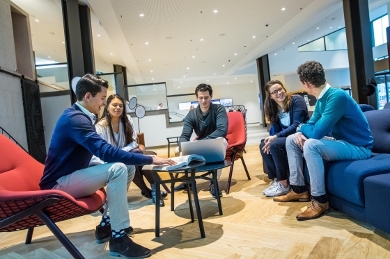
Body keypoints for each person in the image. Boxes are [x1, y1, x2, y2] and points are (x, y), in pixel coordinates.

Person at [40, 74, 175, 258]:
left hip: (72, 176)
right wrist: (151, 159)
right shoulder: (76, 120)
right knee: (119, 168)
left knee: (126, 168)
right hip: (58, 185)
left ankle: (106, 225)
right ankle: (118, 239)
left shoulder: (81, 117)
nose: (104, 103)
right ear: (88, 96)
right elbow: (106, 152)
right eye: (103, 98)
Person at [274, 61, 373, 221]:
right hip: (341, 142)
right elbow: (311, 125)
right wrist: (300, 130)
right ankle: (298, 189)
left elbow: (317, 131)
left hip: (359, 148)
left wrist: (302, 129)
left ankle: (320, 201)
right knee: (292, 139)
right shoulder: (322, 99)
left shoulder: (337, 96)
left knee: (312, 145)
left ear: (305, 84)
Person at [92, 94, 167, 207]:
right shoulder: (100, 127)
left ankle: (151, 191)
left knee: (135, 154)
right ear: (107, 107)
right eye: (114, 105)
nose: (118, 108)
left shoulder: (127, 120)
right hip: (110, 161)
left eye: (120, 106)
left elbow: (134, 142)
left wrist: (122, 152)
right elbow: (100, 152)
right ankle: (151, 191)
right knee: (134, 157)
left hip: (128, 155)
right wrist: (121, 154)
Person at [175, 83, 228, 198]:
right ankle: (187, 181)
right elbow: (184, 135)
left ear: (211, 96)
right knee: (180, 148)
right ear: (196, 98)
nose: (203, 101)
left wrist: (201, 142)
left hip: (215, 142)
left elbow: (221, 130)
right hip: (200, 143)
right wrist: (182, 148)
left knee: (221, 141)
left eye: (206, 97)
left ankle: (214, 183)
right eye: (200, 98)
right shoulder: (191, 114)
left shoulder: (219, 109)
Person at [260, 80, 309, 197]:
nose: (279, 93)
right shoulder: (274, 108)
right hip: (287, 137)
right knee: (263, 144)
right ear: (271, 96)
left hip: (300, 134)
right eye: (274, 92)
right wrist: (273, 137)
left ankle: (284, 185)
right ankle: (276, 180)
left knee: (274, 144)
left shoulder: (296, 100)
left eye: (280, 89)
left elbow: (296, 125)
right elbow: (276, 130)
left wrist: (275, 137)